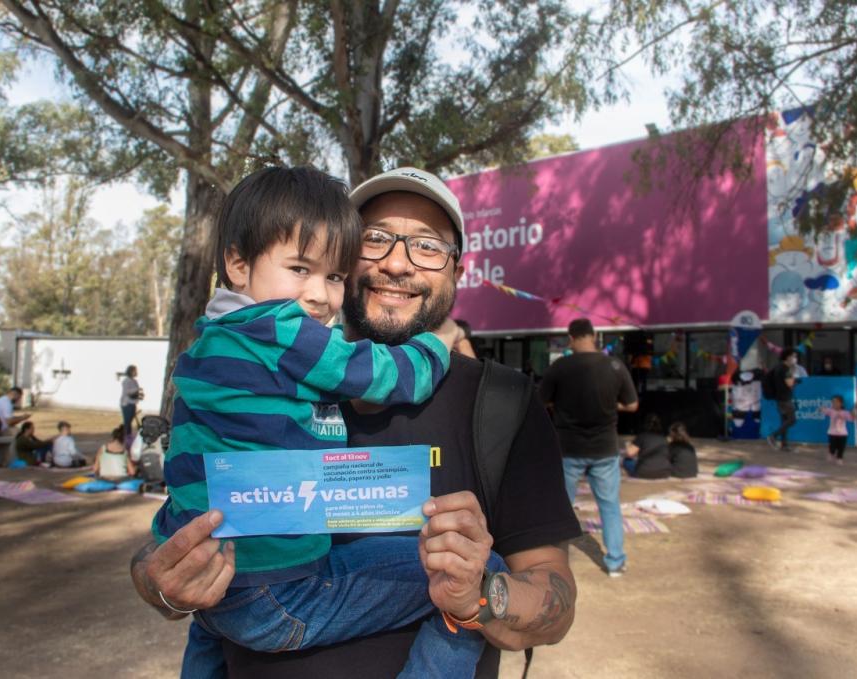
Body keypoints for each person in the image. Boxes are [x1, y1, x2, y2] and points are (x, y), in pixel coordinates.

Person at [131, 167, 582, 679]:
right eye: (376, 240)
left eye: (427, 246)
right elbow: (181, 527)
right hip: (263, 605)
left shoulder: (504, 402)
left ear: (457, 268)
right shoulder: (277, 365)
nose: (397, 262)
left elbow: (555, 601)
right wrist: (161, 581)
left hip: (253, 609)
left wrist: (479, 594)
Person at [537, 318, 638, 577]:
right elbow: (633, 405)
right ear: (594, 336)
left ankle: (556, 565)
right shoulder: (614, 366)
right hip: (605, 449)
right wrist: (611, 406)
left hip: (568, 449)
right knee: (610, 506)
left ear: (571, 338)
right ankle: (615, 563)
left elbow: (540, 401)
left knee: (560, 508)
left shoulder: (559, 367)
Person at [767, 348, 799, 452]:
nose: (795, 358)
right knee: (792, 419)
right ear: (788, 357)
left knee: (784, 421)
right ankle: (773, 436)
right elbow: (790, 384)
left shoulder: (778, 367)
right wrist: (795, 380)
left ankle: (784, 445)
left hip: (779, 398)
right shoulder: (786, 369)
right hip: (785, 398)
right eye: (794, 356)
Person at [623, 413, 671, 479]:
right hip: (664, 473)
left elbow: (630, 453)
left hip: (643, 473)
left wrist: (628, 445)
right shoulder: (664, 438)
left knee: (627, 460)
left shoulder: (642, 436)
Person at [821, 395, 856, 465]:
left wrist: (853, 414)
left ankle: (839, 458)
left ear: (841, 403)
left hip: (843, 434)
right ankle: (831, 453)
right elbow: (823, 411)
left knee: (841, 448)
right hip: (832, 433)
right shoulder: (830, 411)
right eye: (833, 402)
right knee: (832, 446)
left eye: (836, 402)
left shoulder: (845, 412)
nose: (834, 404)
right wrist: (821, 409)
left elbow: (852, 419)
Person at [120, 365, 142, 442]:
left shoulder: (134, 381)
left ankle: (128, 438)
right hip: (127, 403)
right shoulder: (127, 381)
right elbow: (128, 392)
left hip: (132, 403)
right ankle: (126, 438)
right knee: (127, 422)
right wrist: (136, 391)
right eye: (135, 370)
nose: (136, 372)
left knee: (129, 422)